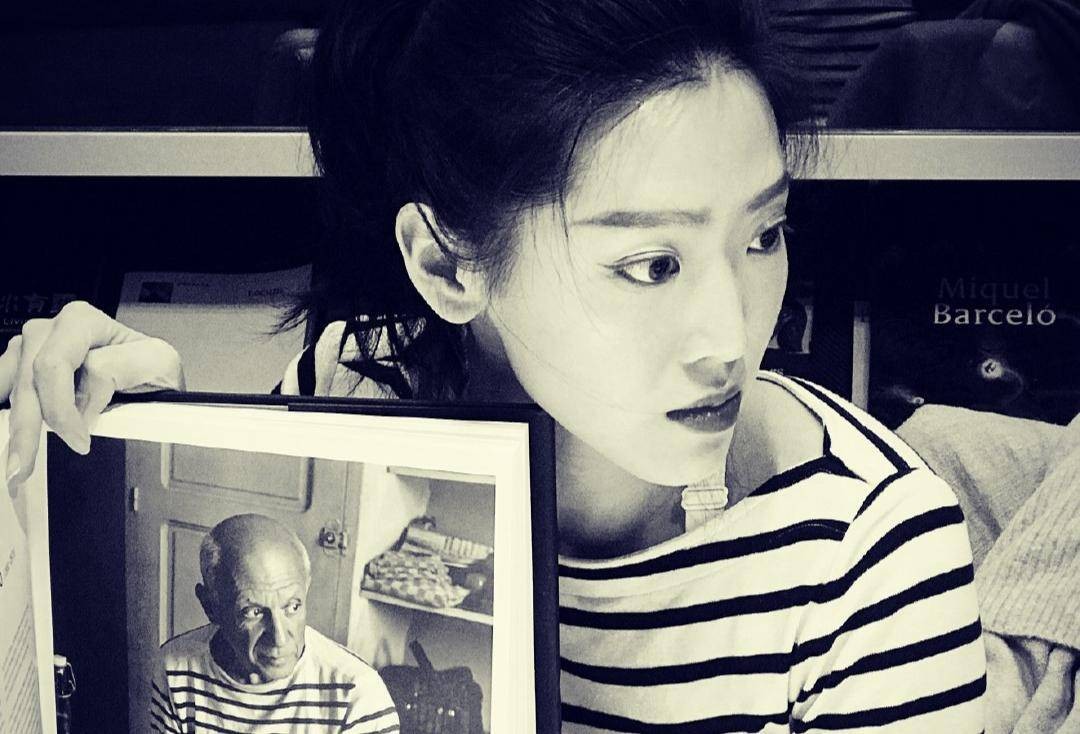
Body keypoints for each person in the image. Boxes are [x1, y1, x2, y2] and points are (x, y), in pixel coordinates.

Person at [0, 0, 986, 730]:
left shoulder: (870, 555)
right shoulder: (357, 383)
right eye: (651, 263)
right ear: (446, 264)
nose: (733, 335)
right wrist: (137, 425)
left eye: (764, 235)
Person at [151, 513, 400, 734]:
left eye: (292, 606)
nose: (279, 637)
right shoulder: (176, 670)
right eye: (253, 612)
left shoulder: (357, 695)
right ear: (210, 606)